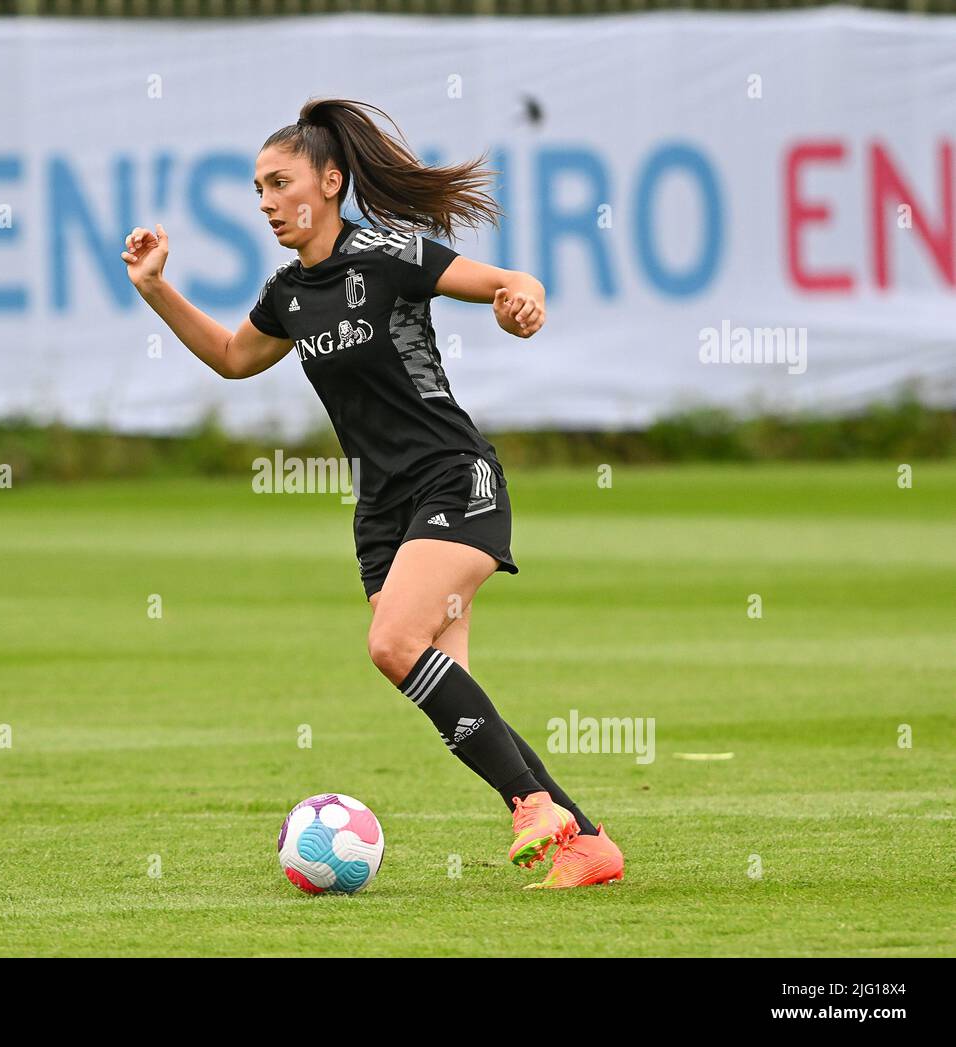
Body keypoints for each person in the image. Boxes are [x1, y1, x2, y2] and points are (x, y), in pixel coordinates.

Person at [122, 98, 623, 888]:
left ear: (328, 181)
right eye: (256, 188)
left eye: (278, 182)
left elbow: (505, 279)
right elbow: (228, 355)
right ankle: (585, 841)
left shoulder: (388, 253)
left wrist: (522, 298)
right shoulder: (288, 291)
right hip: (383, 509)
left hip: (454, 479)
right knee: (444, 689)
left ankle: (533, 804)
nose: (263, 202)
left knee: (392, 644)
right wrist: (155, 288)